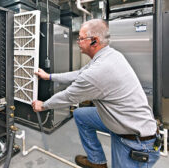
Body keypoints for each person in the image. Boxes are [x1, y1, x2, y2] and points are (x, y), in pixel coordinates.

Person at [32, 19, 160, 168]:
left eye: (80, 38)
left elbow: (68, 96)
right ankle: (97, 161)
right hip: (122, 120)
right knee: (81, 115)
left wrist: (43, 106)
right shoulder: (109, 55)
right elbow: (79, 73)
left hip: (135, 140)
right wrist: (49, 76)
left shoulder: (99, 71)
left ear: (94, 41)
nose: (78, 41)